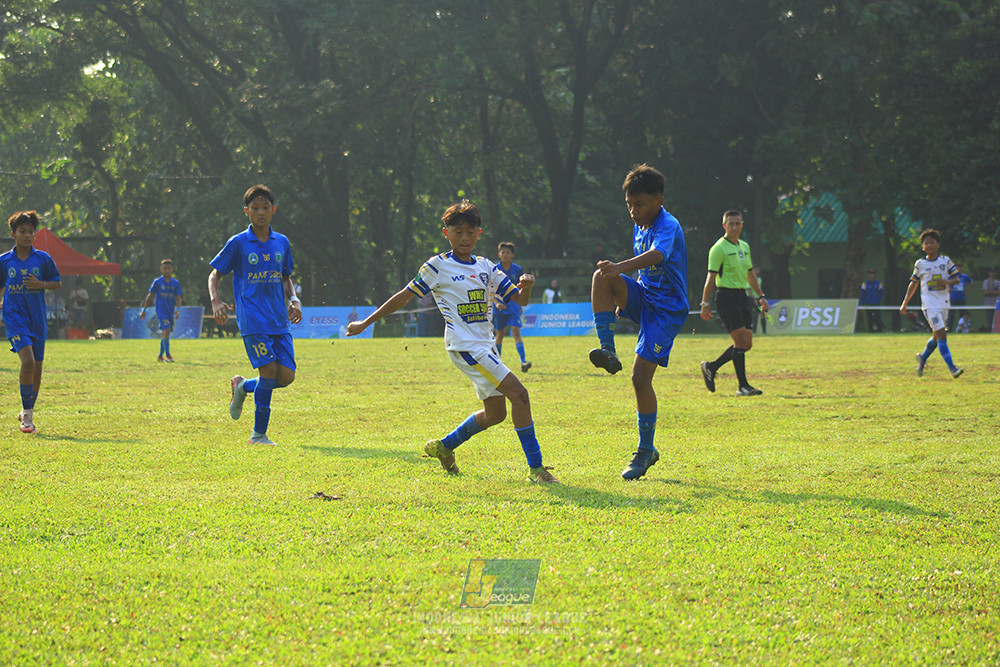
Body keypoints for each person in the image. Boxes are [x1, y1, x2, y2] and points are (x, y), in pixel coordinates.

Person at [346, 201, 558, 484]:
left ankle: (444, 446)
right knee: (519, 394)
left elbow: (519, 299)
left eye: (471, 231)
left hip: (485, 346)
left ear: (479, 234)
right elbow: (404, 296)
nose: (465, 237)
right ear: (446, 233)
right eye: (458, 231)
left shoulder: (487, 266)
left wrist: (527, 287)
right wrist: (365, 323)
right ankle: (537, 470)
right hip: (464, 346)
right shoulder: (437, 266)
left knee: (495, 414)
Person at [588, 164, 688, 481]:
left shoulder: (667, 224)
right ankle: (608, 349)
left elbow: (658, 255)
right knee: (601, 277)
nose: (633, 211)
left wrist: (621, 267)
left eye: (640, 204)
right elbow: (643, 272)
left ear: (659, 200)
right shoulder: (641, 224)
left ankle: (646, 450)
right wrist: (623, 299)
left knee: (640, 378)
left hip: (666, 310)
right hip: (644, 297)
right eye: (629, 205)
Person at [208, 185, 302, 446]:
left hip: (278, 320)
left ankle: (242, 387)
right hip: (252, 319)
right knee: (269, 370)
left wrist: (294, 300)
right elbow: (215, 274)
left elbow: (286, 277)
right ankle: (258, 434)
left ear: (273, 210)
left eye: (265, 208)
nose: (260, 213)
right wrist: (215, 300)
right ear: (246, 212)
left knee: (285, 377)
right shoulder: (238, 243)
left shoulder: (281, 242)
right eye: (255, 208)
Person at [1, 211, 62, 434]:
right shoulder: (4, 261)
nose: (27, 235)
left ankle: (28, 409)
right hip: (14, 317)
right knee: (27, 361)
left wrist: (40, 284)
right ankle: (27, 416)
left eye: (30, 231)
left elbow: (57, 283)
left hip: (37, 318)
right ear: (13, 234)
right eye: (22, 231)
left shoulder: (43, 259)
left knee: (37, 369)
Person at [699, 210, 768, 397]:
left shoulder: (744, 246)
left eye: (738, 223)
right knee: (740, 342)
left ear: (742, 225)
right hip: (726, 298)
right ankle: (743, 386)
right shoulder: (718, 248)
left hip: (742, 297)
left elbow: (750, 274)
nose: (734, 227)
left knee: (746, 344)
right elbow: (710, 277)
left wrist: (760, 296)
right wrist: (704, 303)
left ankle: (711, 367)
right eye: (731, 224)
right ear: (724, 226)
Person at [900, 229, 963, 378]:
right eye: (926, 243)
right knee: (942, 335)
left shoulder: (945, 261)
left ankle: (922, 358)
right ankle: (952, 368)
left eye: (932, 242)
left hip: (944, 303)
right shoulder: (920, 264)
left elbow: (957, 279)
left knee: (937, 335)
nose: (929, 245)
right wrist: (905, 303)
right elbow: (913, 283)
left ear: (938, 244)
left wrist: (947, 281)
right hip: (929, 305)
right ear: (923, 247)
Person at [492, 242, 531, 372]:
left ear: (512, 255)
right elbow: (490, 289)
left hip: (513, 305)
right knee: (500, 333)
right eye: (503, 252)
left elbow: (520, 288)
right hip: (500, 305)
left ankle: (523, 361)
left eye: (507, 252)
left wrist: (519, 305)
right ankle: (497, 362)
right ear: (499, 254)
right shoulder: (494, 269)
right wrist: (496, 302)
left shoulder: (517, 269)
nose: (505, 255)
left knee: (516, 331)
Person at [139, 258, 183, 362]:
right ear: (161, 269)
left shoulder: (175, 283)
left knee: (166, 332)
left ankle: (160, 356)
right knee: (166, 329)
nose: (166, 270)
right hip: (160, 309)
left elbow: (178, 297)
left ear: (172, 269)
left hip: (170, 310)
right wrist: (144, 309)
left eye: (168, 268)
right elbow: (150, 295)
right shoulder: (157, 282)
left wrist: (178, 309)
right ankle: (168, 355)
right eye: (164, 268)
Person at [946, 264, 972, 332]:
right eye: (957, 267)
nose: (958, 269)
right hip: (953, 297)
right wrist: (949, 288)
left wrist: (967, 291)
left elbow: (972, 283)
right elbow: (946, 282)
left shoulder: (964, 276)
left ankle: (962, 329)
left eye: (960, 267)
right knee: (951, 315)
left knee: (962, 314)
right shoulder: (951, 276)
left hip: (961, 298)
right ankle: (949, 330)